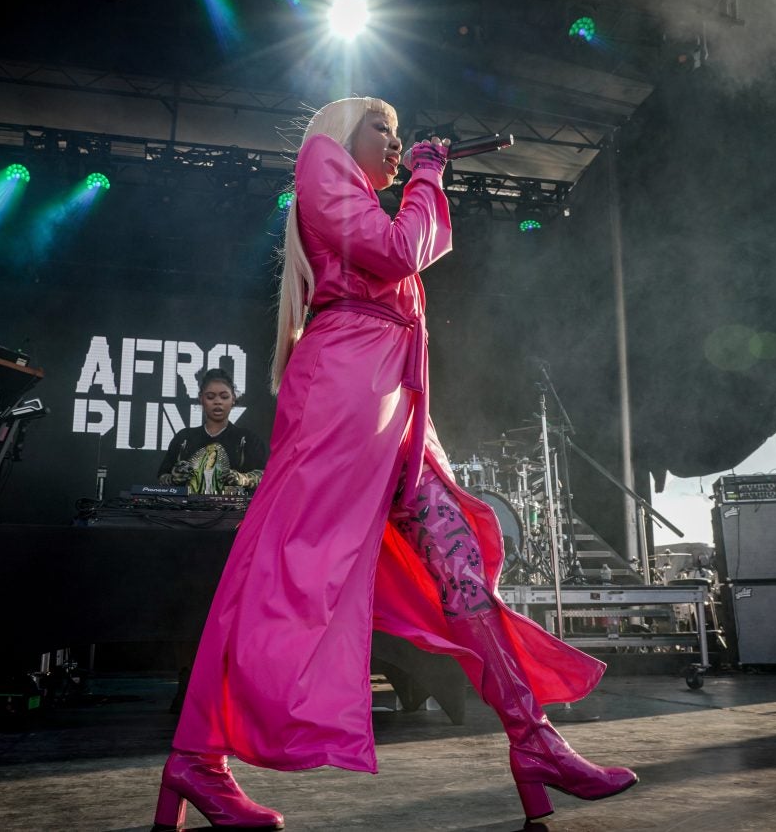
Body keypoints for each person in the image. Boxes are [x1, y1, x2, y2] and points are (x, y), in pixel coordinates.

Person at [150, 97, 636, 831]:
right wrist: (428, 176)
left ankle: (534, 742)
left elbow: (407, 249)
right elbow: (403, 247)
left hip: (393, 400)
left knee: (457, 562)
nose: (399, 142)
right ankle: (197, 760)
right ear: (344, 131)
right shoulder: (321, 165)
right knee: (281, 572)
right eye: (385, 128)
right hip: (346, 390)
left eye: (404, 136)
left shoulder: (366, 200)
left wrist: (423, 180)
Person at [157, 368, 268, 495]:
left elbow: (265, 475)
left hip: (233, 513)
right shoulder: (184, 438)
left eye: (224, 396)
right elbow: (162, 477)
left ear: (233, 398)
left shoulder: (248, 439)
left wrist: (243, 479)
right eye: (210, 397)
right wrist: (173, 478)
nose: (217, 402)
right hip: (186, 512)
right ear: (201, 399)